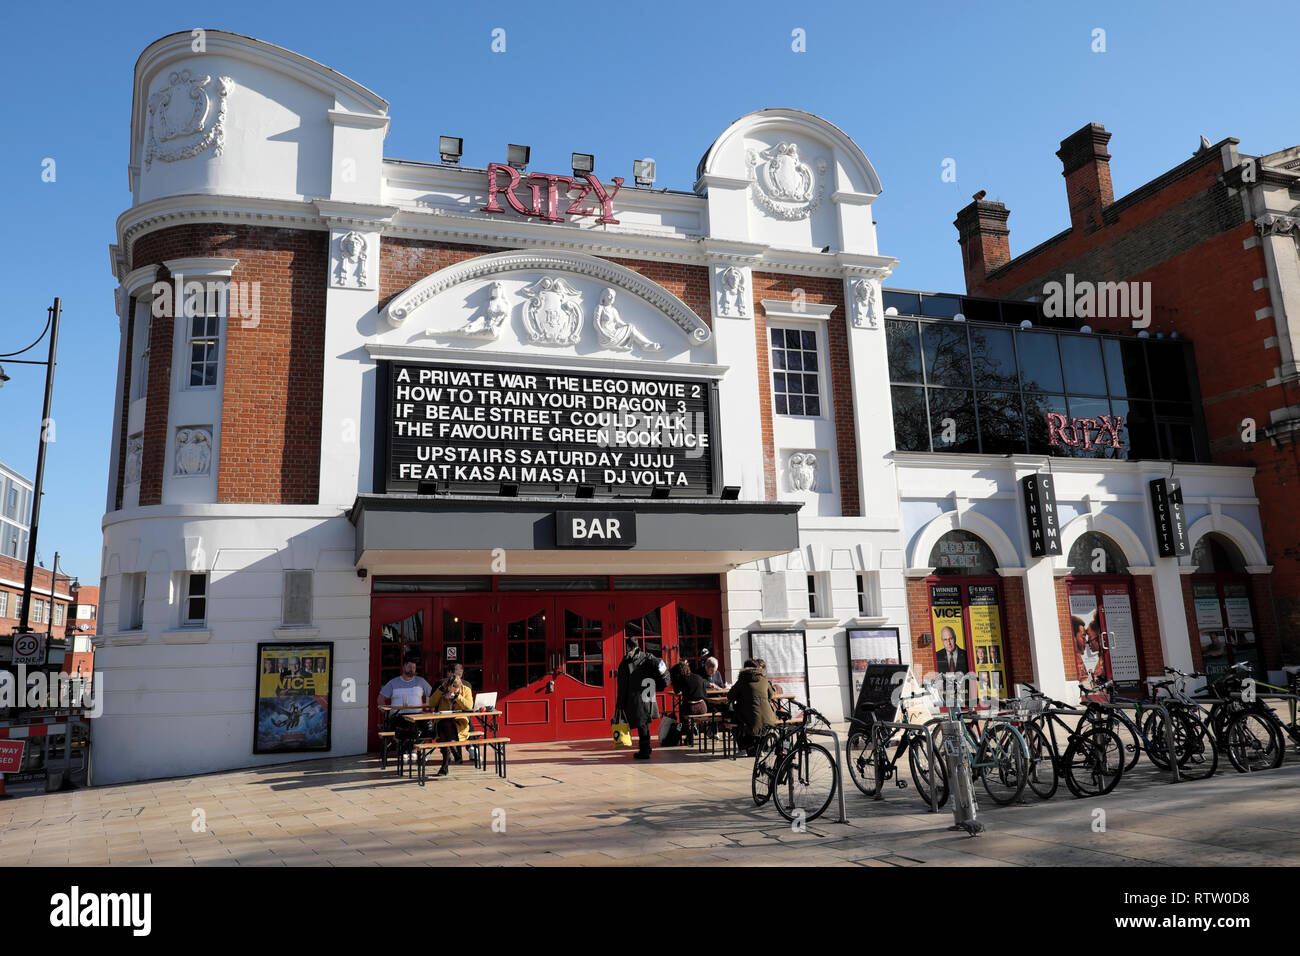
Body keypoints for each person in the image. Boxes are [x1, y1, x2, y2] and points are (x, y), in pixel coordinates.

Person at [615, 637, 669, 760]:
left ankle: (644, 751)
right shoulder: (647, 657)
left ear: (628, 647)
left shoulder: (627, 661)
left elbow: (622, 685)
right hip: (648, 694)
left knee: (642, 724)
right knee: (644, 723)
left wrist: (620, 704)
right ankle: (646, 747)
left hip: (636, 697)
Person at [427, 664, 474, 776]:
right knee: (445, 724)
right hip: (442, 723)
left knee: (445, 731)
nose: (451, 691)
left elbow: (469, 706)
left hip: (459, 724)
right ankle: (453, 751)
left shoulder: (466, 690)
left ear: (459, 688)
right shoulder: (442, 689)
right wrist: (441, 690)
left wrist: (457, 697)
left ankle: (445, 765)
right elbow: (431, 703)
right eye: (449, 689)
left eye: (454, 689)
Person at [728, 660, 778, 756]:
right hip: (769, 718)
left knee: (735, 721)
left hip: (750, 717)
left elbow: (730, 696)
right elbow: (771, 695)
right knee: (753, 719)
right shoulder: (764, 680)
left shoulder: (742, 680)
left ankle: (743, 749)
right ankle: (760, 748)